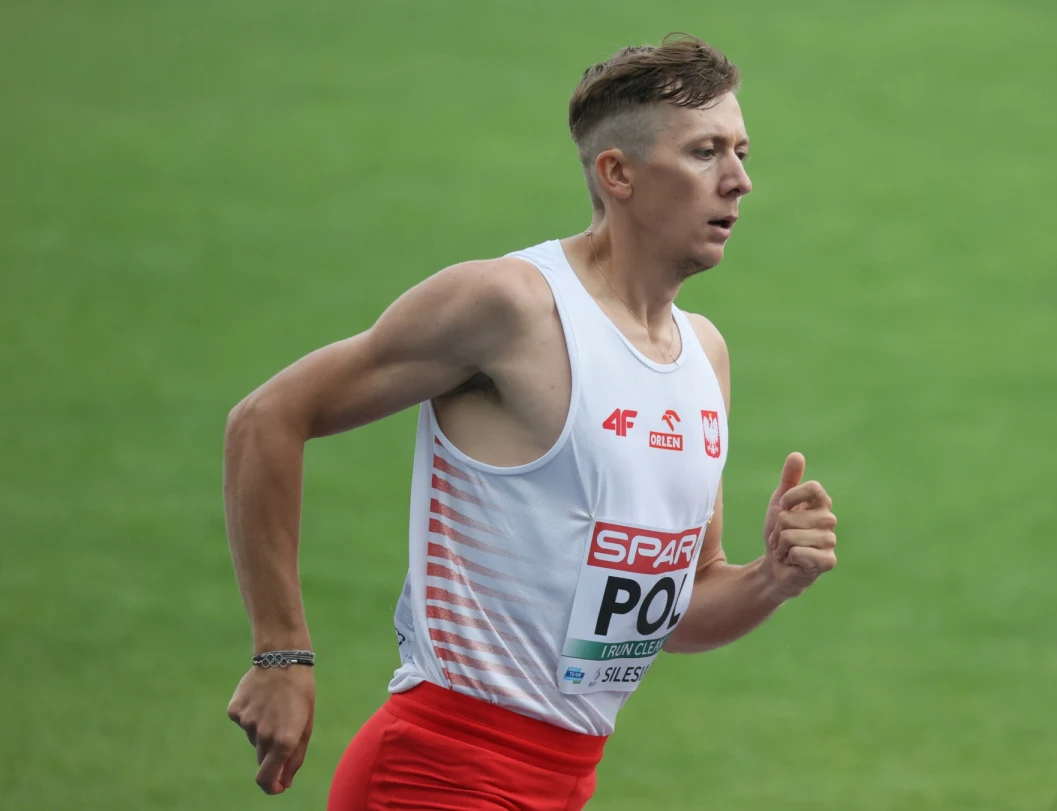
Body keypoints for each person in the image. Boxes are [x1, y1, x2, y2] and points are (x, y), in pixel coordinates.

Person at [223, 32, 838, 810]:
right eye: (705, 152)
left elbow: (678, 608)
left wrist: (772, 578)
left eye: (741, 151)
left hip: (563, 782)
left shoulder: (703, 356)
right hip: (435, 771)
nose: (739, 180)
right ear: (618, 173)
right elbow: (267, 417)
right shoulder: (513, 307)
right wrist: (282, 653)